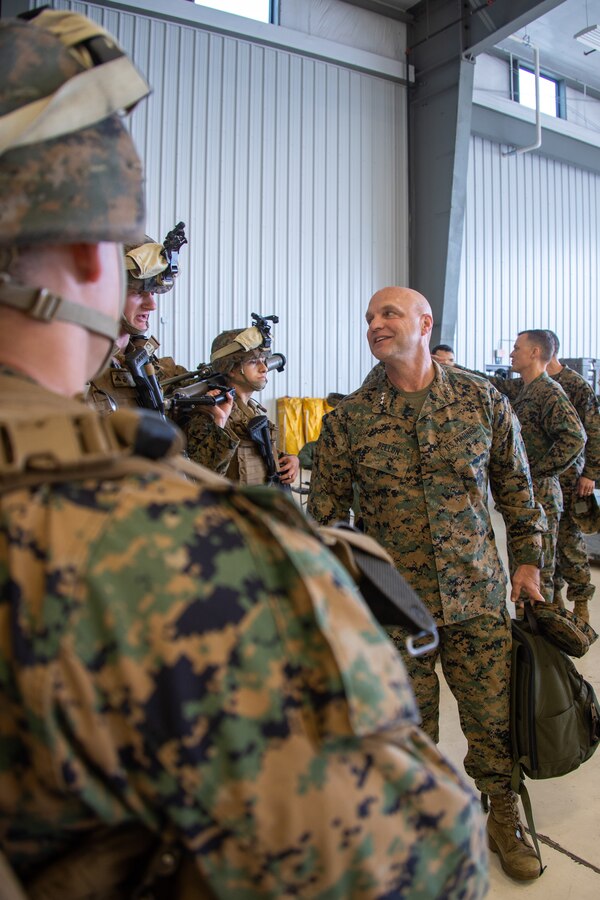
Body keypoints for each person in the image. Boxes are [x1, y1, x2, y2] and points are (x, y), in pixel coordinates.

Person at [0, 13, 488, 898]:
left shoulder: (474, 399)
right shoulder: (167, 553)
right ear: (86, 249)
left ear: (424, 325)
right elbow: (413, 866)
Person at [308, 285, 549, 883]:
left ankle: (503, 818)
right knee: (404, 730)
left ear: (424, 322)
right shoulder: (350, 419)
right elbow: (326, 516)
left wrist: (528, 560)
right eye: (369, 317)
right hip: (394, 605)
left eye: (388, 313)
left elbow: (517, 489)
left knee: (493, 720)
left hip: (477, 594)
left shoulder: (480, 399)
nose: (375, 325)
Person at [483, 330, 586, 606]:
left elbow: (575, 437)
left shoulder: (549, 391)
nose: (512, 353)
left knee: (541, 576)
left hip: (541, 496)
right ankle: (528, 637)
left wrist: (540, 470)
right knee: (523, 571)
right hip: (525, 497)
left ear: (535, 353)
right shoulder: (526, 388)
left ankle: (545, 645)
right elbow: (494, 384)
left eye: (517, 348)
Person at [85, 224, 188, 415]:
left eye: (153, 293)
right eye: (139, 293)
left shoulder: (154, 368)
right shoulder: (76, 363)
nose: (152, 305)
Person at [183, 326, 300, 487]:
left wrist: (290, 459)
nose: (264, 368)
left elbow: (257, 452)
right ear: (231, 369)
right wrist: (219, 422)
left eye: (264, 360)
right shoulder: (208, 412)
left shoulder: (251, 409)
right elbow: (202, 477)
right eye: (253, 362)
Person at [545, 331, 600, 622]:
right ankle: (554, 602)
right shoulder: (533, 384)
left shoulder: (574, 384)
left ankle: (580, 600)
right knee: (548, 544)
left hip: (571, 479)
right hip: (546, 481)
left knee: (570, 543)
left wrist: (590, 473)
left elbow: (593, 429)